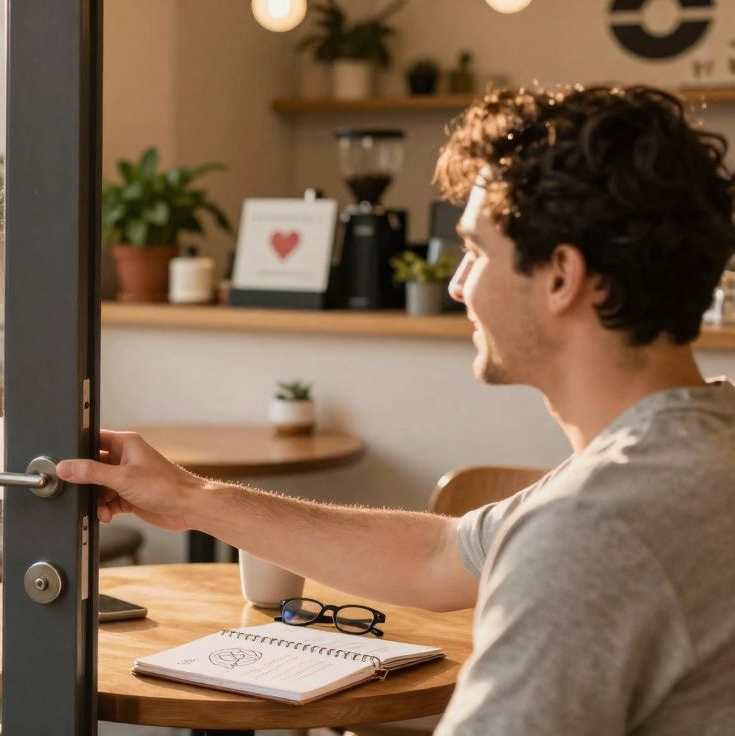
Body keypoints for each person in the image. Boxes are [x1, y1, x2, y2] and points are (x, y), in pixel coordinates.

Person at [59, 85, 735, 734]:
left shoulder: (594, 528)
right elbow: (438, 554)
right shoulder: (698, 440)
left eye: (474, 251)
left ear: (562, 275)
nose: (457, 283)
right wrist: (187, 496)